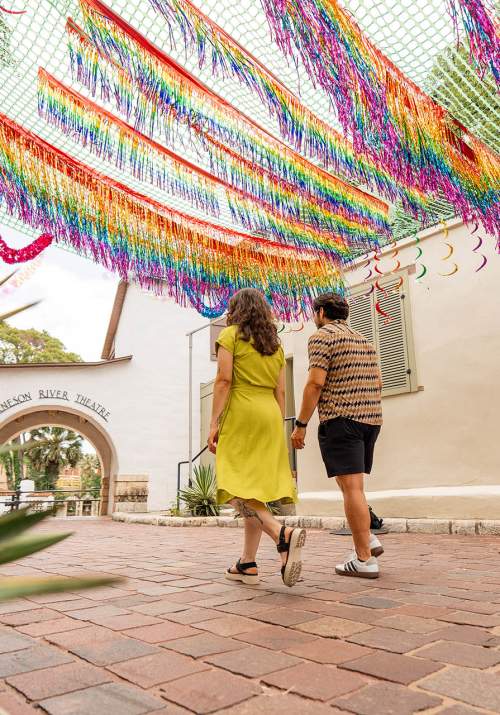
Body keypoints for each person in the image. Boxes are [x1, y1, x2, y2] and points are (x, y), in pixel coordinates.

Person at [208, 288, 306, 587]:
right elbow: (282, 391)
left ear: (236, 310)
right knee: (254, 489)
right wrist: (277, 423)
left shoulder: (231, 336)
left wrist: (213, 422)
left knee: (234, 482)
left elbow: (224, 380)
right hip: (269, 415)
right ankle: (247, 562)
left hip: (242, 410)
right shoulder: (274, 345)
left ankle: (281, 534)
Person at [291, 292, 383, 578]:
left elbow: (315, 383)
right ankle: (367, 538)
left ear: (320, 313)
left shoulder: (322, 337)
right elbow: (378, 381)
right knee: (351, 486)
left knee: (352, 488)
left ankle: (364, 559)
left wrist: (301, 423)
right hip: (370, 420)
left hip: (341, 418)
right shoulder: (363, 340)